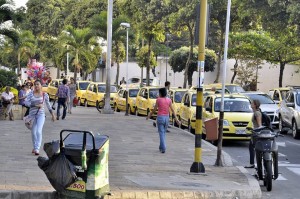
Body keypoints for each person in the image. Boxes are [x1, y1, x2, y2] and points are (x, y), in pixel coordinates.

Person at [24, 79, 55, 155]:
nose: (36, 86)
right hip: (32, 115)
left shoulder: (45, 95)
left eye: (38, 84)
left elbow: (48, 105)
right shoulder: (31, 94)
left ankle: (37, 148)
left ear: (41, 85)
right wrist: (34, 105)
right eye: (35, 84)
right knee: (33, 132)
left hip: (41, 115)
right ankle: (35, 147)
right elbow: (26, 102)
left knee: (38, 131)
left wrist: (52, 114)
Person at [146, 88, 180, 153]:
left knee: (161, 133)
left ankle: (163, 147)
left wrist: (149, 115)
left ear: (161, 93)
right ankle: (161, 147)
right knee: (163, 133)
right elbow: (172, 110)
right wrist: (176, 119)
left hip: (160, 117)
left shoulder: (158, 100)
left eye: (159, 93)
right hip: (167, 118)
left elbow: (154, 109)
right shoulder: (169, 100)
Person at [245, 99, 262, 168]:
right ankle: (254, 163)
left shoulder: (257, 113)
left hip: (256, 133)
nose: (251, 104)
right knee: (253, 147)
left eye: (252, 103)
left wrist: (256, 132)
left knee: (253, 147)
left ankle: (253, 163)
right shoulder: (256, 112)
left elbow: (259, 124)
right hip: (255, 132)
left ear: (255, 105)